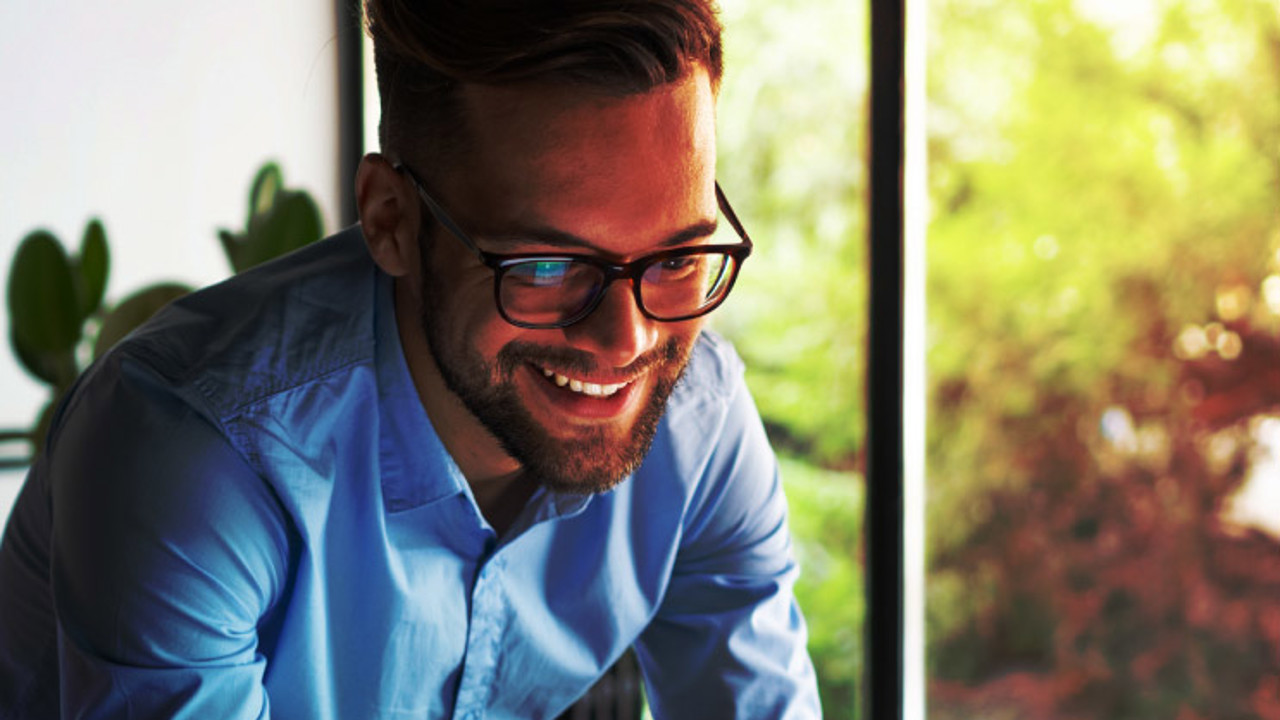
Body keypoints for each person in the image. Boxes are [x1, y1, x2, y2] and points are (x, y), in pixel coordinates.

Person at [0, 1, 821, 717]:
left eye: (676, 259)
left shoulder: (698, 430)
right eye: (544, 266)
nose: (628, 340)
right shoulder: (193, 456)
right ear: (390, 219)